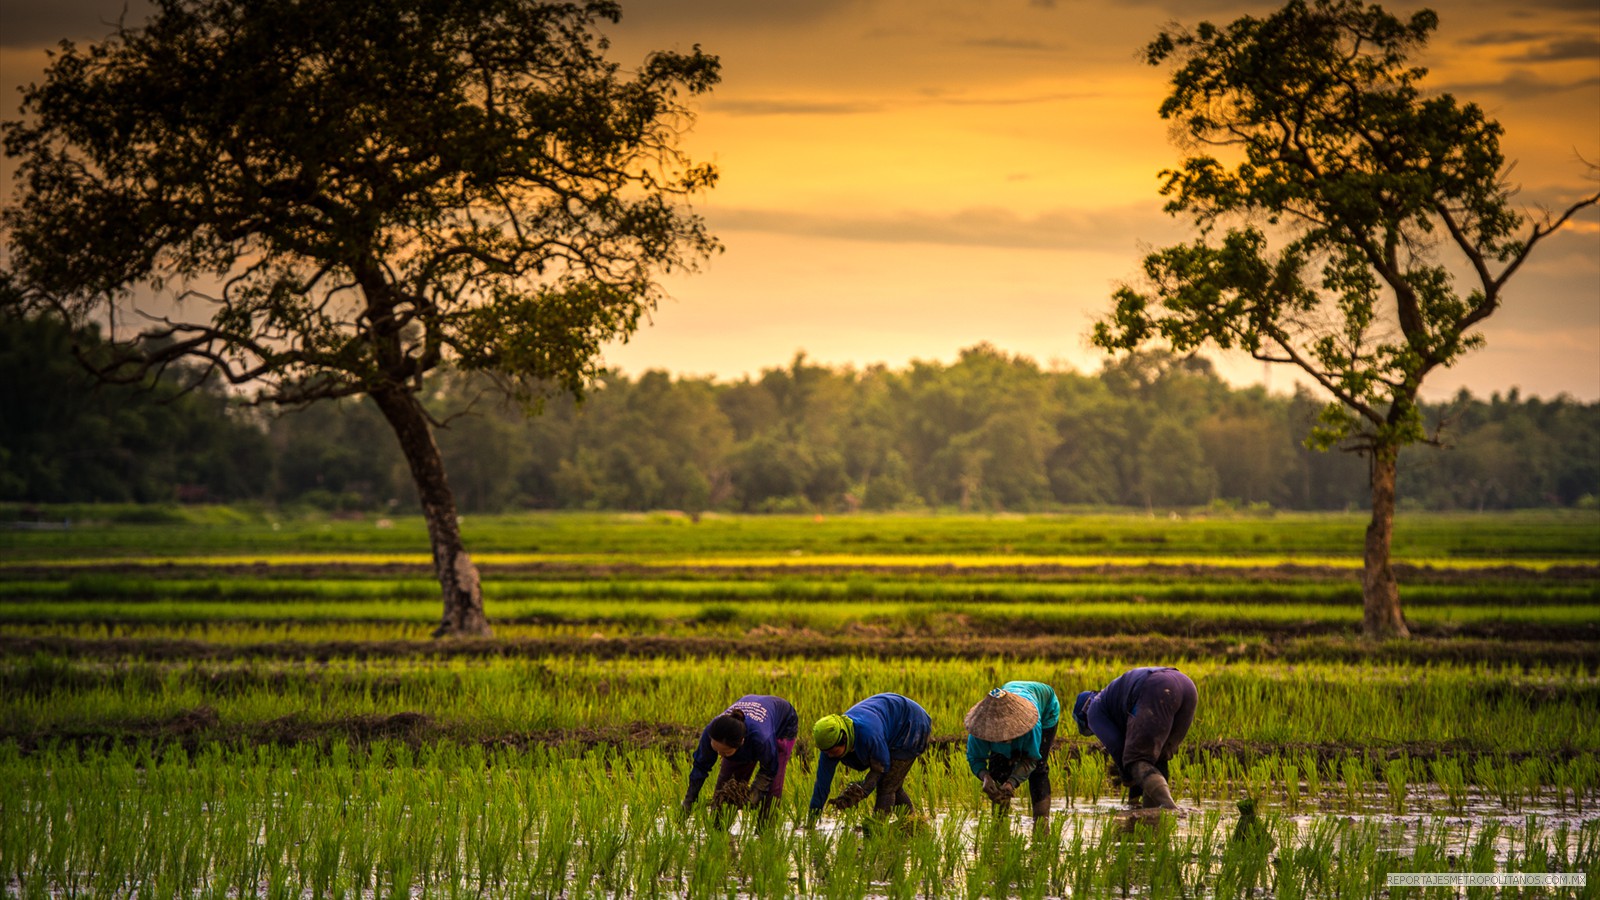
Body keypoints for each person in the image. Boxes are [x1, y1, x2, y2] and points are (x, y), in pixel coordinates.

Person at [1072, 666, 1197, 811]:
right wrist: (1133, 800)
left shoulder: (1093, 709)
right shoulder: (1114, 702)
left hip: (1157, 687)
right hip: (1187, 687)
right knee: (1157, 759)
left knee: (1136, 760)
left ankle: (1172, 809)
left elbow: (1118, 748)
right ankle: (1153, 815)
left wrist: (1126, 776)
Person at [809, 692, 932, 821]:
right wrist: (810, 824)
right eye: (826, 752)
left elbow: (881, 767)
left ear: (844, 739)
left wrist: (861, 791)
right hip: (888, 721)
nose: (829, 755)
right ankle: (912, 821)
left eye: (833, 752)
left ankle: (877, 829)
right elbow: (821, 787)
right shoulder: (829, 745)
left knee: (887, 786)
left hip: (911, 723)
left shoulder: (869, 735)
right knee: (893, 783)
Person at [682, 694, 799, 820]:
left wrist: (755, 793)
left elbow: (770, 768)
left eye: (725, 753)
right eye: (717, 751)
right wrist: (689, 800)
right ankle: (718, 829)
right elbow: (700, 766)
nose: (721, 757)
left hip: (783, 724)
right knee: (725, 790)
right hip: (748, 721)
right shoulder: (711, 731)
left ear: (741, 743)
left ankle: (765, 832)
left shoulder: (762, 739)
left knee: (771, 791)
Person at [964, 681, 1060, 826]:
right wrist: (985, 777)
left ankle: (1041, 823)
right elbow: (975, 758)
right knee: (997, 769)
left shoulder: (1032, 725)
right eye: (998, 736)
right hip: (1010, 690)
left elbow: (1031, 759)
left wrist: (1012, 782)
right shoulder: (980, 729)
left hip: (1046, 708)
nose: (1003, 738)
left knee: (1038, 770)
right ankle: (999, 822)